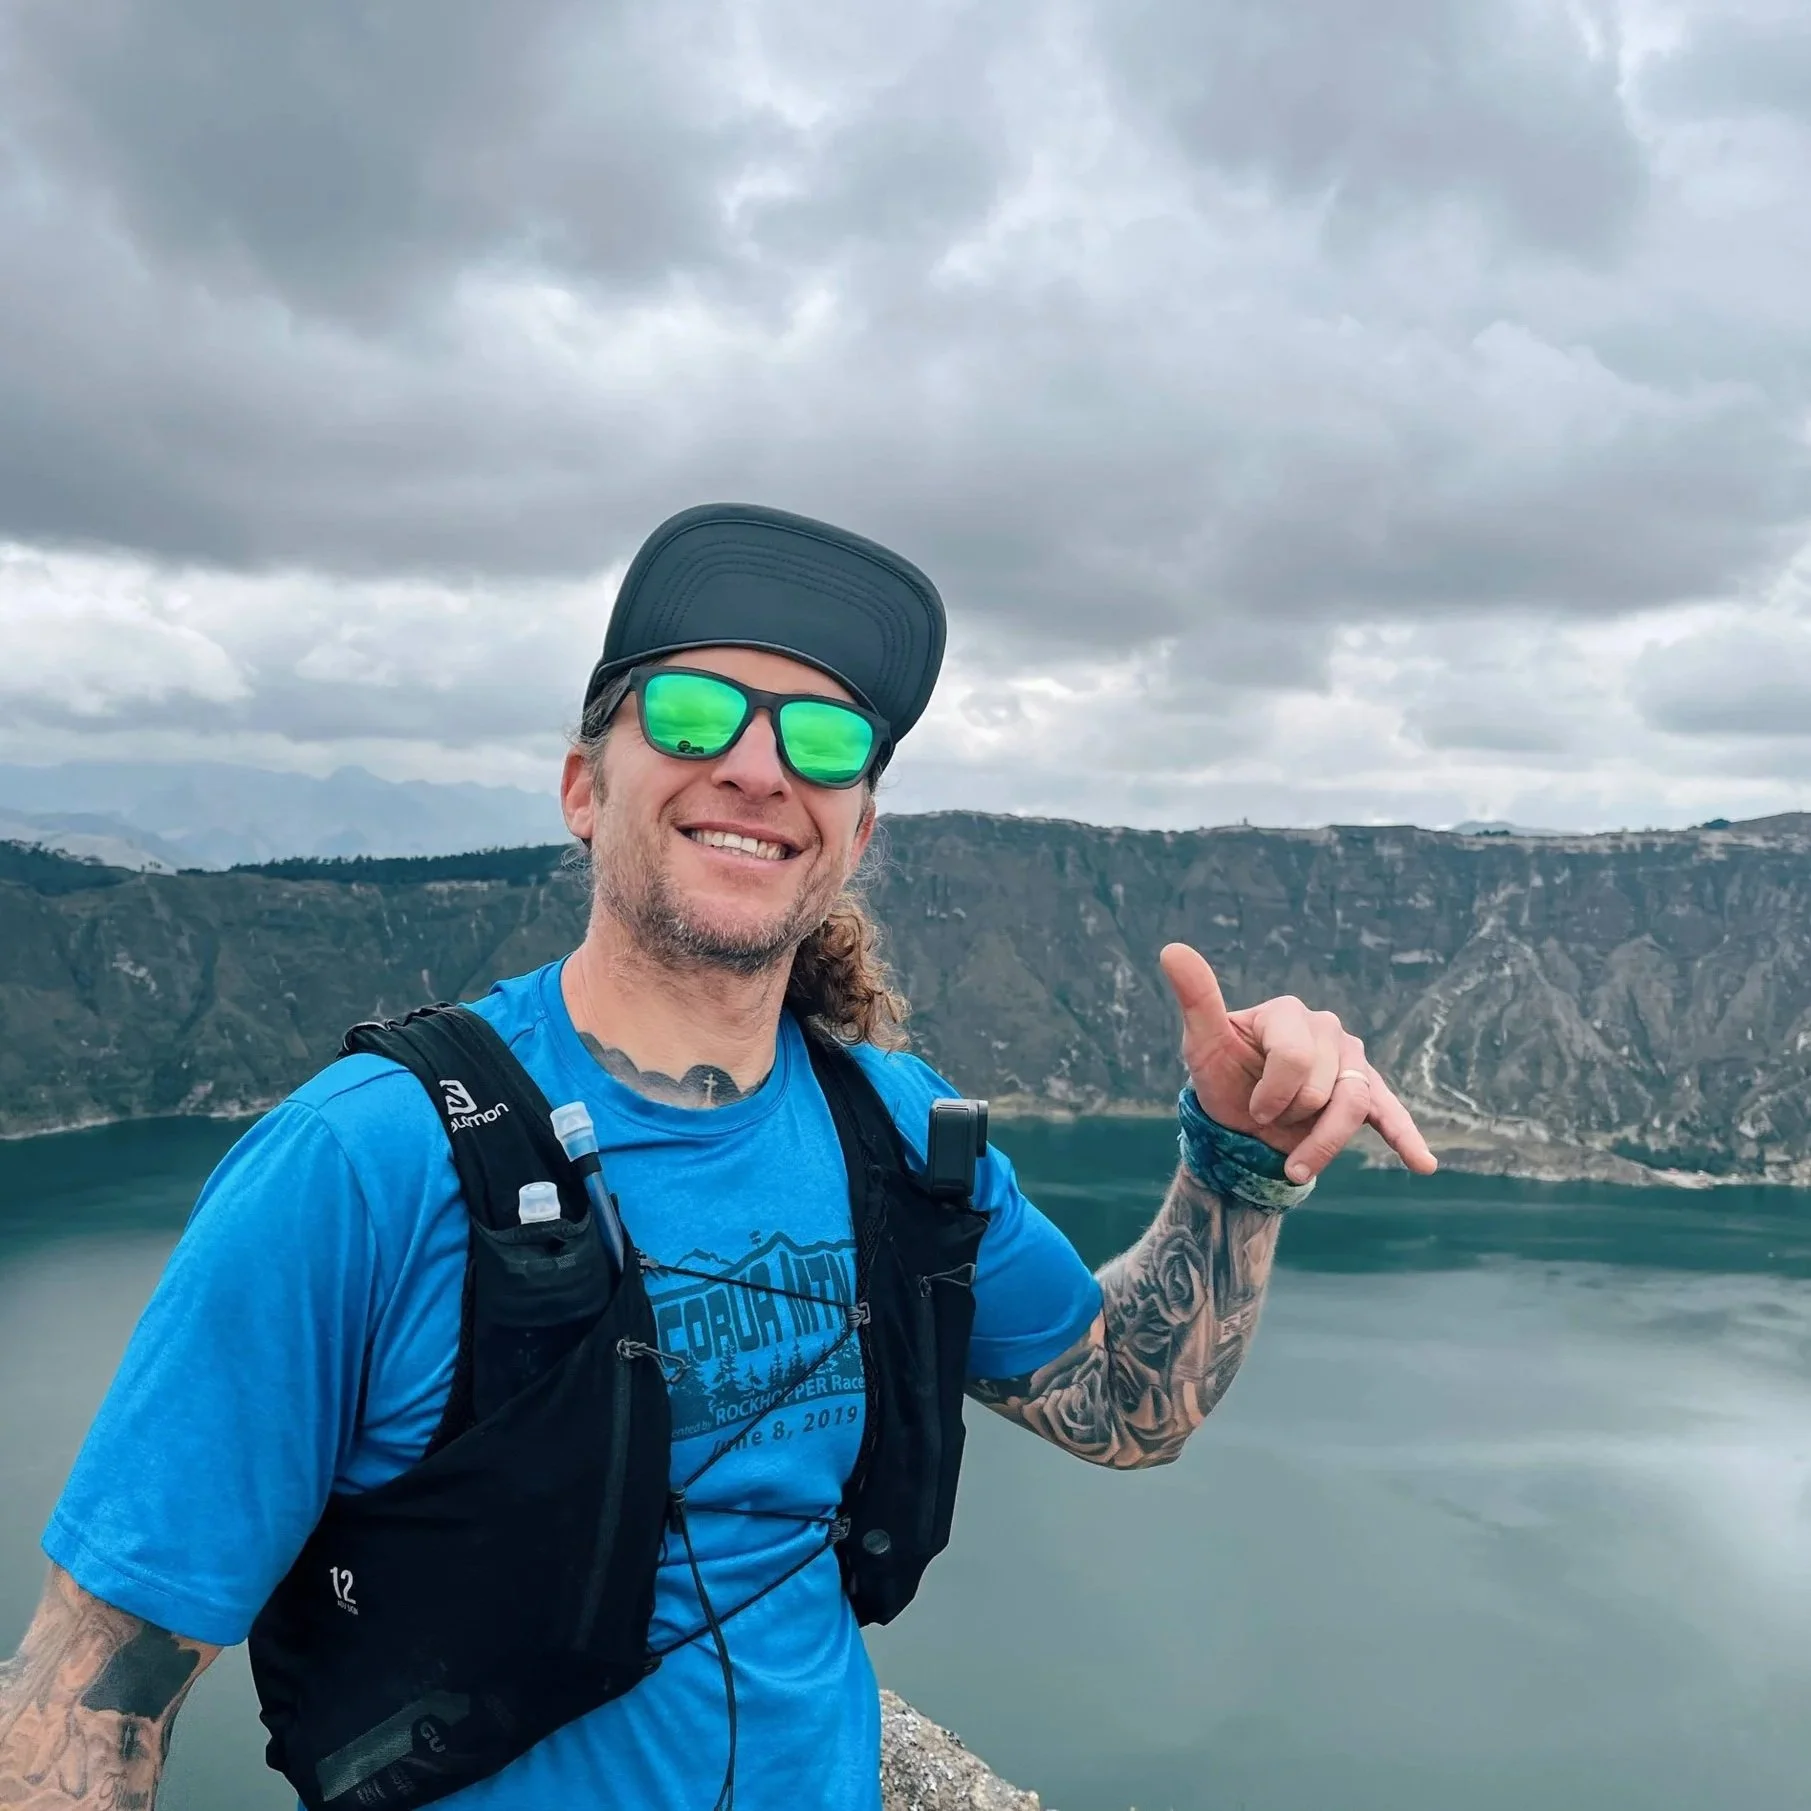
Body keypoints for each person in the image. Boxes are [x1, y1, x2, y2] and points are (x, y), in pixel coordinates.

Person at [0, 503, 1435, 1811]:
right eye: (693, 713)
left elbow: (1124, 1400)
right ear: (582, 787)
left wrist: (1237, 1167)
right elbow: (91, 1702)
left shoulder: (888, 1129)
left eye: (820, 742)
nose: (756, 765)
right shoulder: (363, 1164)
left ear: (854, 829)